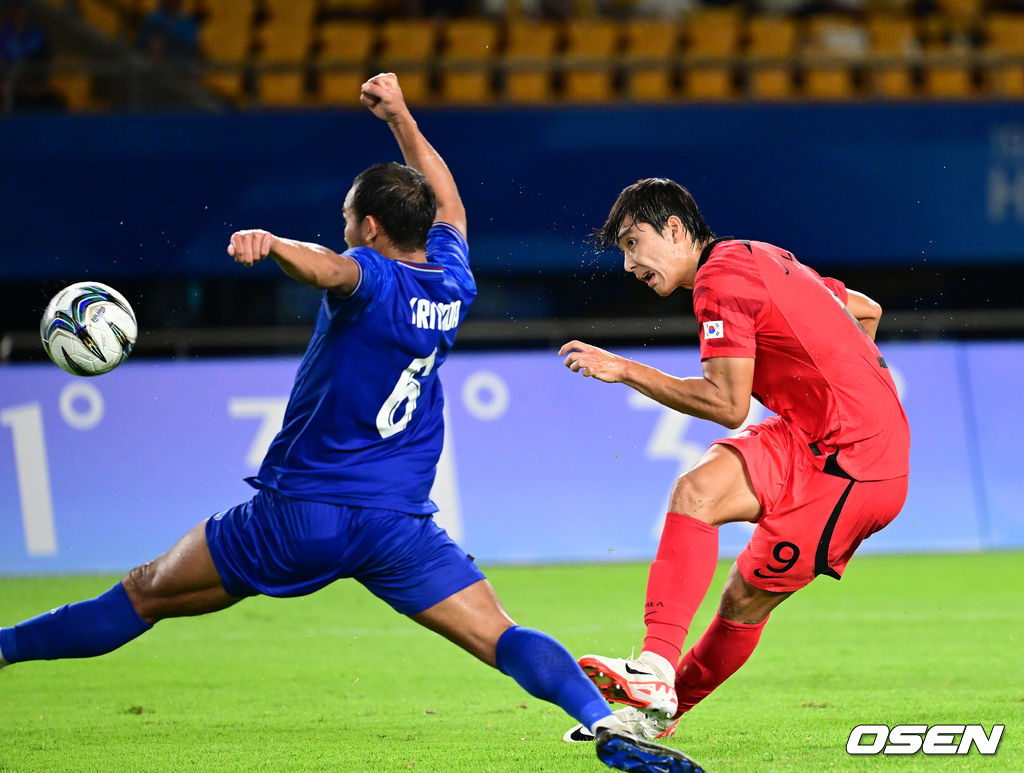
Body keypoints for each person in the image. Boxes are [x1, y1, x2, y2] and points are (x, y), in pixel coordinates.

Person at [0, 76, 703, 773]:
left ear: (369, 227)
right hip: (395, 526)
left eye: (347, 216)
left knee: (145, 592)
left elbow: (331, 270)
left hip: (300, 515)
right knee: (503, 634)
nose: (344, 228)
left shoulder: (369, 271)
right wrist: (401, 116)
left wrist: (273, 244)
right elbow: (449, 202)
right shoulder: (453, 282)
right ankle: (603, 721)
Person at [558, 177, 910, 743]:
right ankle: (654, 681)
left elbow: (727, 404)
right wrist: (860, 391)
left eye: (632, 242)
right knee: (699, 502)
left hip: (853, 466)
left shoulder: (718, 279)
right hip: (824, 440)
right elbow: (865, 311)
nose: (628, 264)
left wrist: (624, 369)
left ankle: (656, 699)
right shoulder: (757, 254)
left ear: (674, 229)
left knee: (742, 601)